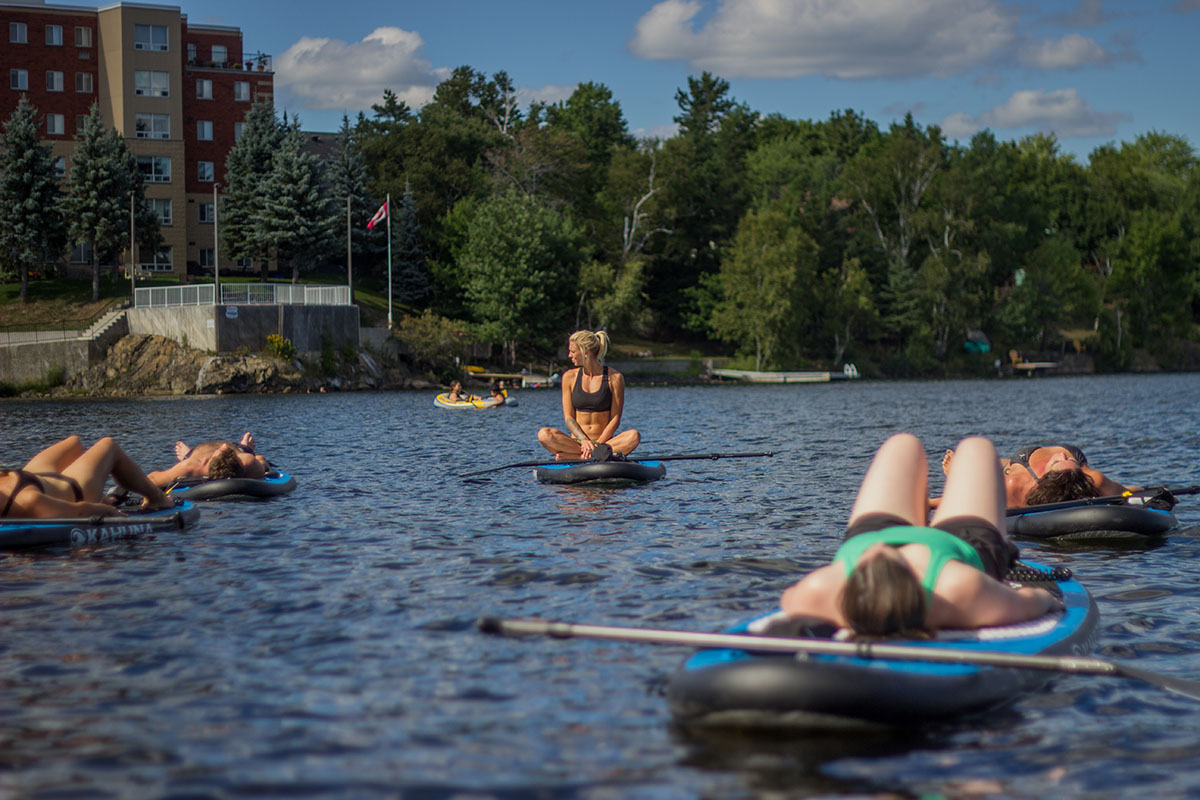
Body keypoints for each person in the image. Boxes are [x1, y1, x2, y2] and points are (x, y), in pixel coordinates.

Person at [779, 434, 1062, 638]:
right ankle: (949, 497)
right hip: (962, 542)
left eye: (869, 561)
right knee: (975, 448)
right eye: (888, 557)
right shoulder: (960, 592)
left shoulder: (818, 593)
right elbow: (1031, 603)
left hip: (872, 532)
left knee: (902, 444)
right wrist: (1050, 596)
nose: (881, 550)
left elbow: (786, 602)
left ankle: (938, 498)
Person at [1, 435, 174, 518]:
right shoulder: (29, 501)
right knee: (108, 445)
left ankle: (93, 474)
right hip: (73, 490)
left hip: (31, 477)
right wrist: (106, 508)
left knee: (74, 442)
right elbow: (81, 510)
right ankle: (157, 498)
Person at [537, 330, 640, 459]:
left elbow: (615, 419)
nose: (569, 355)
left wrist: (597, 445)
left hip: (604, 444)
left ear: (585, 352)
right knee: (544, 434)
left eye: (573, 352)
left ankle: (577, 457)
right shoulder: (569, 377)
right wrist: (584, 441)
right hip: (577, 443)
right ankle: (591, 455)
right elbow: (569, 418)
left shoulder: (615, 378)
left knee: (633, 436)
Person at [942, 444, 1131, 508]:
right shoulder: (1094, 480)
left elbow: (972, 501)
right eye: (1065, 458)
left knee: (997, 472)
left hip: (1024, 465)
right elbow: (1128, 491)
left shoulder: (1016, 487)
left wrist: (953, 480)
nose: (1060, 454)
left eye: (1060, 460)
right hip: (1028, 463)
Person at [147, 432, 269, 487]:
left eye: (220, 451)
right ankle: (244, 447)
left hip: (194, 457)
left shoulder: (191, 466)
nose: (224, 445)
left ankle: (188, 454)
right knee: (253, 455)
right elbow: (262, 462)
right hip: (240, 452)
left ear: (207, 461)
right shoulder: (247, 461)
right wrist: (248, 452)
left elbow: (152, 479)